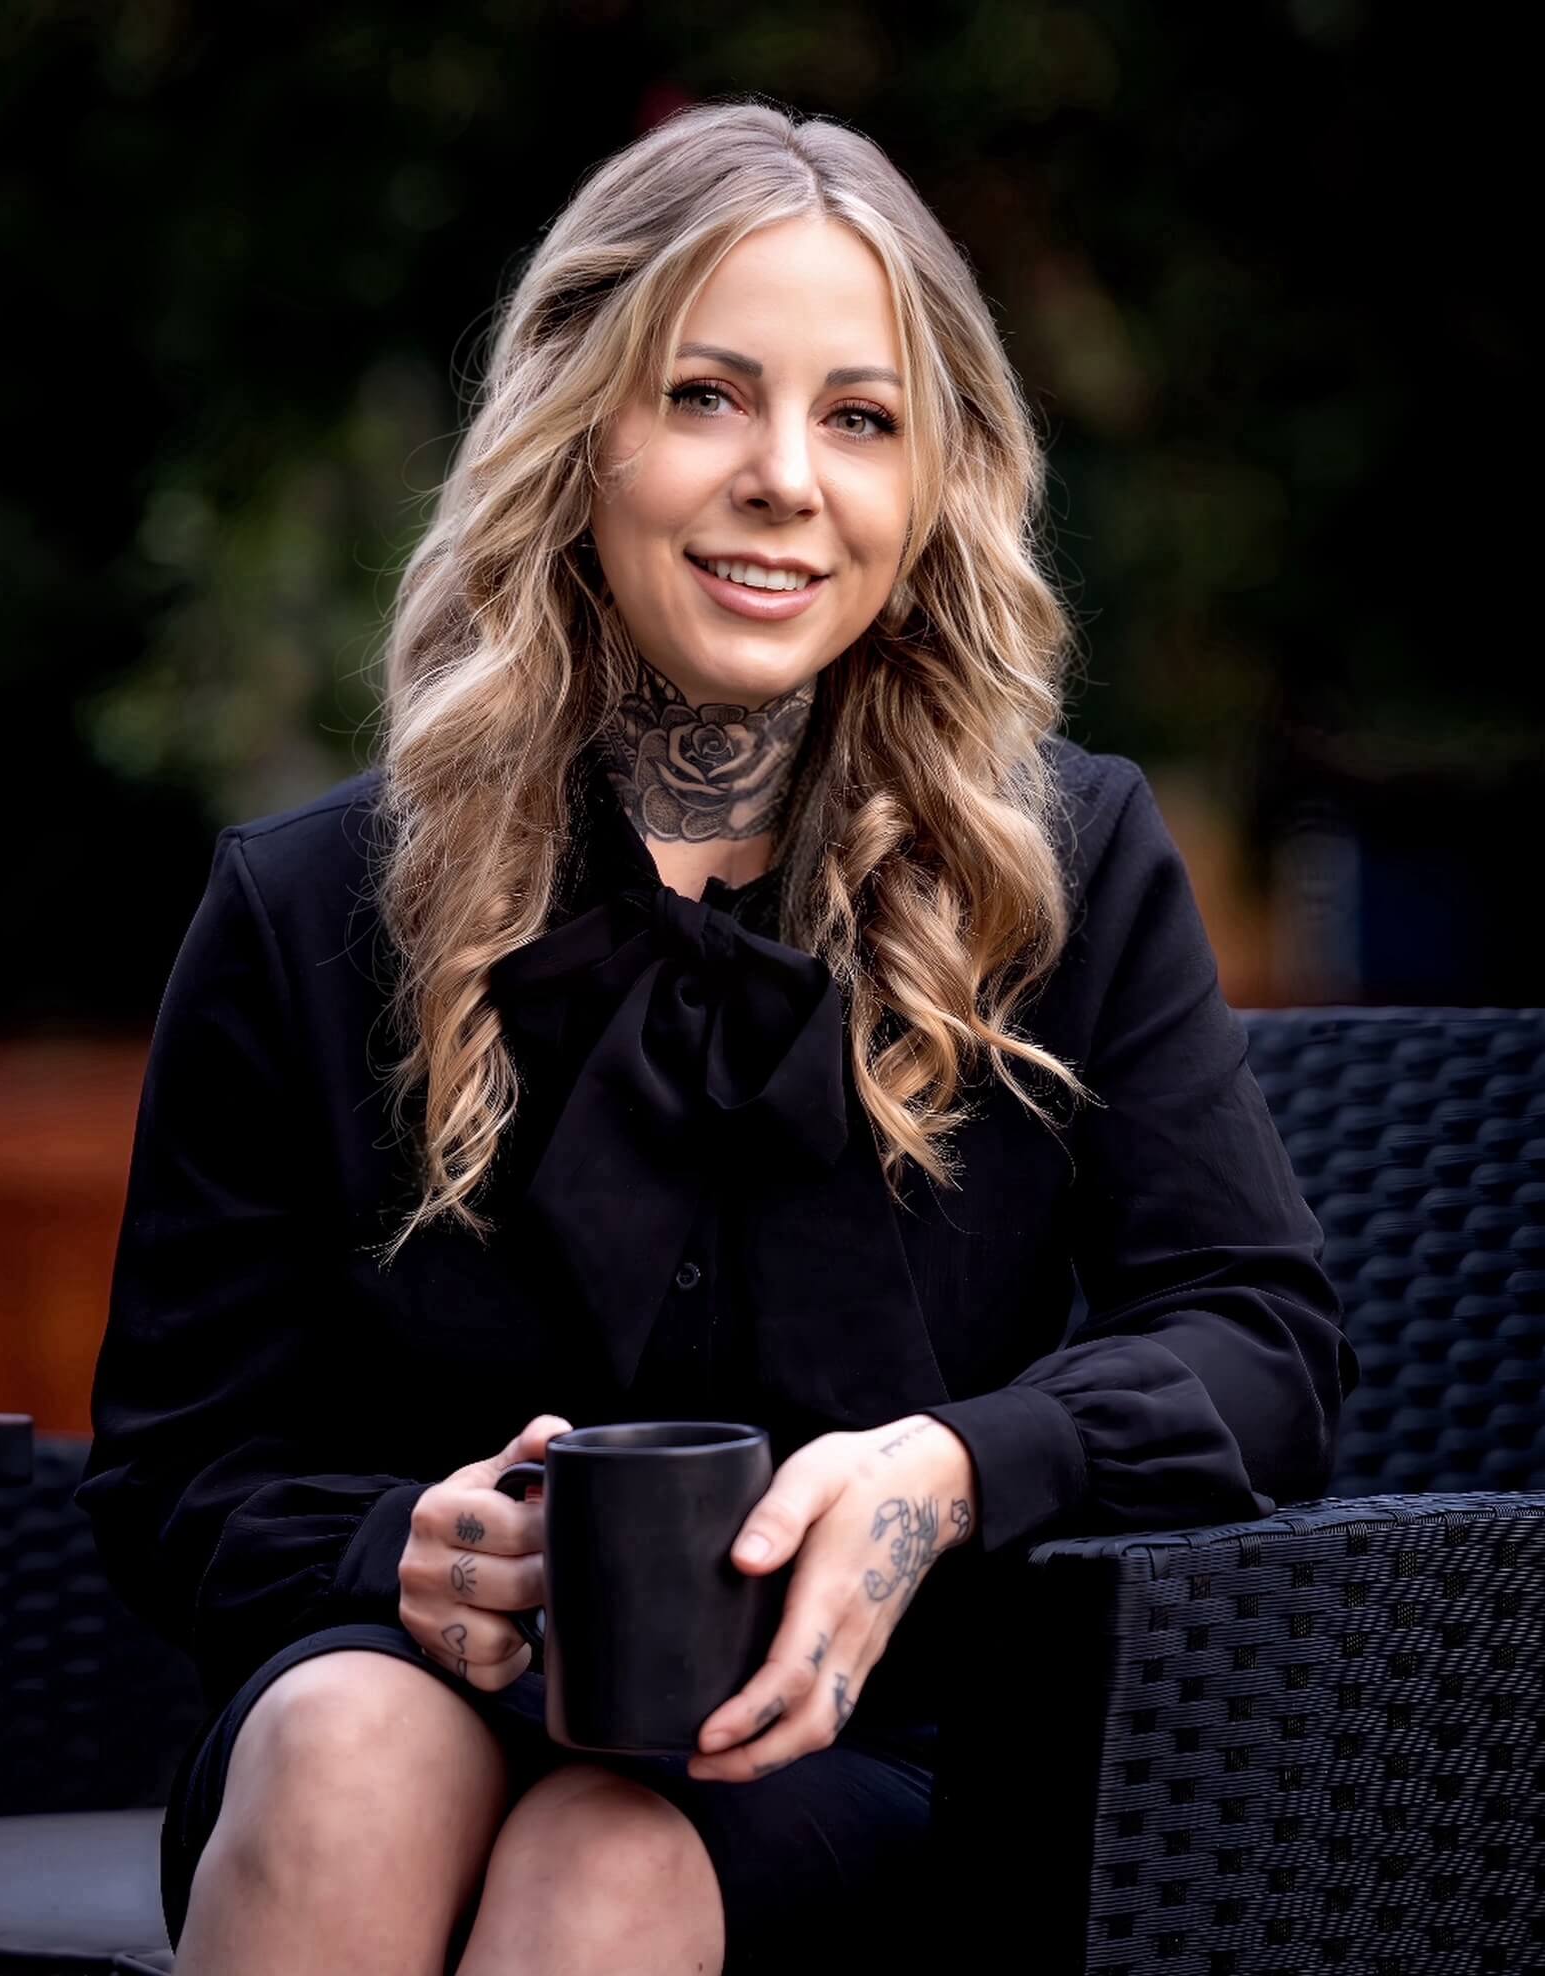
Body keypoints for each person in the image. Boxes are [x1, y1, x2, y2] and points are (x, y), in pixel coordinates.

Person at [75, 98, 1359, 1976]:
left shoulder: (1066, 865)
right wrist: (397, 1557)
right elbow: (176, 1469)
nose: (784, 478)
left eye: (859, 417)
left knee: (604, 1856)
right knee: (351, 1745)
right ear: (573, 434)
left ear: (930, 487)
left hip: (875, 1755)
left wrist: (951, 1468)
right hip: (395, 1699)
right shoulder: (311, 902)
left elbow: (1263, 1346)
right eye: (703, 396)